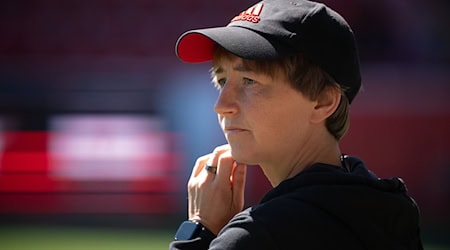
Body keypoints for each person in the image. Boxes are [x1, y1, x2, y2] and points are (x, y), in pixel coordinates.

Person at [170, 0, 423, 249]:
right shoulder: (392, 210)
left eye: (249, 81)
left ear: (323, 101)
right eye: (222, 80)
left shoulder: (258, 235)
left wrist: (199, 229)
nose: (221, 105)